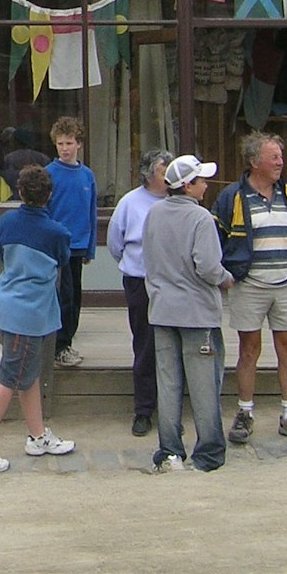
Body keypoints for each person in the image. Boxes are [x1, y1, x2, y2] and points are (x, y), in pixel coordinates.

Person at [0, 164, 77, 472]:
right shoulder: (58, 233)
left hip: (9, 304)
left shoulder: (7, 221)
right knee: (11, 377)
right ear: (49, 195)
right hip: (31, 311)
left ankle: (37, 435)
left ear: (21, 192)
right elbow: (64, 259)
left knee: (29, 372)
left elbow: (1, 251)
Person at [214, 131, 287, 448]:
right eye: (273, 157)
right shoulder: (232, 197)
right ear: (253, 162)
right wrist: (225, 274)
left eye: (280, 156)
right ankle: (245, 412)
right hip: (249, 284)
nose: (280, 162)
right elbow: (216, 238)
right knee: (249, 349)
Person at [140, 155, 233, 473]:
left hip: (163, 310)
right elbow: (206, 266)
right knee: (204, 384)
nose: (206, 185)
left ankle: (169, 452)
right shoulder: (201, 219)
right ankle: (207, 453)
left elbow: (148, 261)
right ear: (188, 185)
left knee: (168, 383)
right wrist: (225, 277)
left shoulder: (153, 214)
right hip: (197, 313)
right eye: (201, 180)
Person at [105, 150, 173, 438]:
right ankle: (144, 409)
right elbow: (114, 242)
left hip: (173, 283)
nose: (168, 174)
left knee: (173, 344)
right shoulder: (130, 202)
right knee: (145, 345)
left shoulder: (178, 201)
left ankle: (172, 407)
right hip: (140, 280)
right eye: (162, 169)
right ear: (148, 174)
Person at [43, 116, 98, 368]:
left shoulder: (87, 176)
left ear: (79, 144)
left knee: (75, 296)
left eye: (69, 143)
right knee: (62, 295)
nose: (65, 148)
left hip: (78, 245)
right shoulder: (49, 174)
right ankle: (60, 344)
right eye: (60, 143)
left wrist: (90, 247)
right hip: (56, 247)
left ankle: (68, 341)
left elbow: (91, 212)